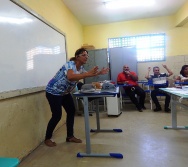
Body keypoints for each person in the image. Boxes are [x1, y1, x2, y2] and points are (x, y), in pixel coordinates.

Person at [45, 48, 109, 147]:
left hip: (64, 93)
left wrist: (100, 73)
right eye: (84, 55)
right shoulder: (70, 64)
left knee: (71, 111)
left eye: (87, 55)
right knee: (57, 115)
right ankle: (47, 138)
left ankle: (70, 136)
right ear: (77, 56)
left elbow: (88, 74)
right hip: (53, 92)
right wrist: (87, 74)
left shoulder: (81, 68)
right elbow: (70, 77)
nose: (86, 57)